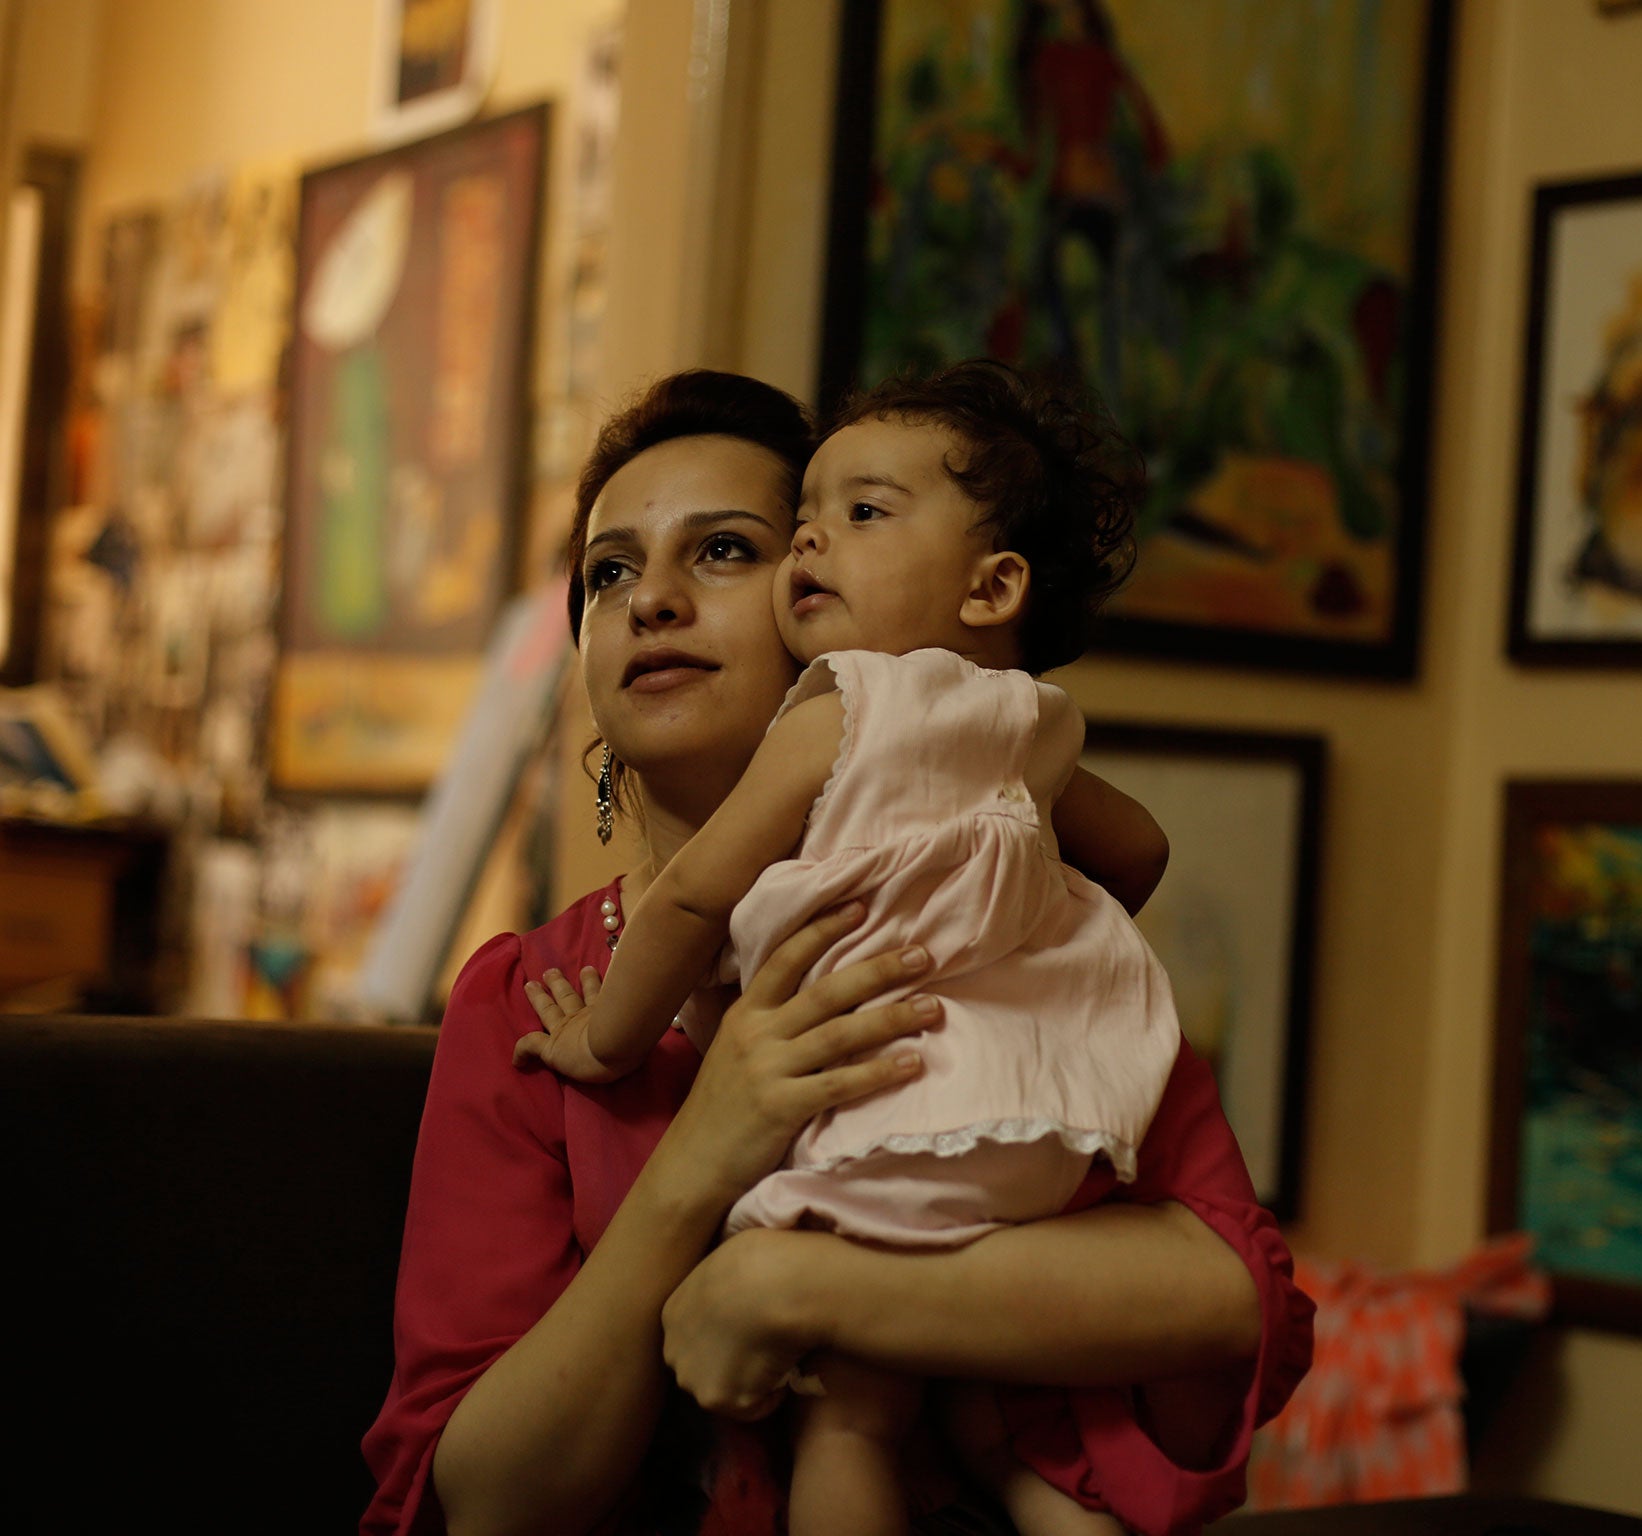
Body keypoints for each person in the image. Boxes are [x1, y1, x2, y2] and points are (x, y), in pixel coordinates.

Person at [361, 369, 1314, 1536]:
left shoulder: (1010, 938)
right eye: (608, 573)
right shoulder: (526, 1003)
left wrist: (808, 1287)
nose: (650, 599)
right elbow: (489, 1503)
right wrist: (698, 1159)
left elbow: (1229, 1296)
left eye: (721, 551)